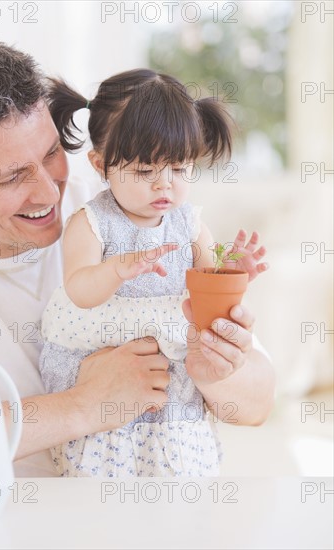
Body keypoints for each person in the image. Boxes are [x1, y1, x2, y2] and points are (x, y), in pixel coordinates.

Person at [0, 39, 274, 472]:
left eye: (51, 154)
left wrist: (219, 373)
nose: (46, 192)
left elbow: (258, 404)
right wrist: (84, 404)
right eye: (11, 178)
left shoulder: (126, 206)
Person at [39, 70, 271, 476]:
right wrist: (116, 269)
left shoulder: (189, 223)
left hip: (172, 377)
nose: (165, 186)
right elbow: (79, 291)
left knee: (176, 484)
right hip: (109, 367)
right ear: (100, 164)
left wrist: (232, 272)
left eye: (180, 170)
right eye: (146, 172)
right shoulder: (92, 222)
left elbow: (205, 288)